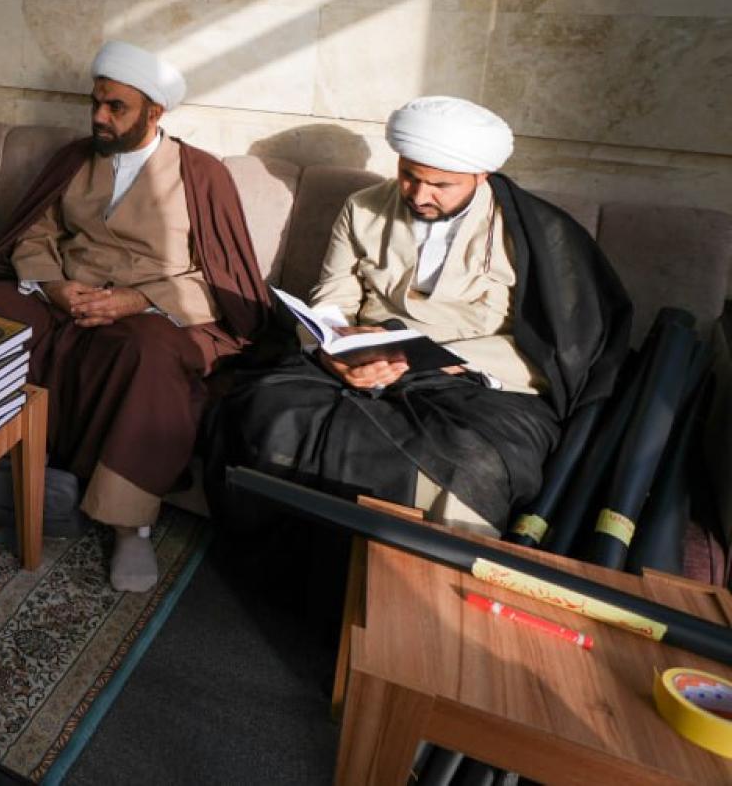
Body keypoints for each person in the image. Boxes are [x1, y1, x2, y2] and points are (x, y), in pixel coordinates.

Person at [207, 97, 631, 534]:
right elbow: (333, 297)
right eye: (409, 176)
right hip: (365, 360)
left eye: (441, 185)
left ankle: (418, 569)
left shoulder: (534, 234)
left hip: (472, 381)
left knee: (469, 460)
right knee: (265, 406)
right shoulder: (363, 207)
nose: (419, 194)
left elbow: (559, 346)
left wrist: (447, 362)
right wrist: (332, 352)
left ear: (482, 175)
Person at [0, 42, 272, 592]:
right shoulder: (76, 159)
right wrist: (53, 287)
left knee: (146, 356)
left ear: (154, 112)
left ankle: (129, 524)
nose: (99, 116)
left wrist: (138, 300)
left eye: (116, 107)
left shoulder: (200, 174)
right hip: (64, 293)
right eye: (95, 103)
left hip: (152, 307)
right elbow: (36, 234)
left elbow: (220, 279)